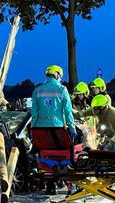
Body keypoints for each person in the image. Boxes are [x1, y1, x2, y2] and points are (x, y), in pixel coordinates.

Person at [31, 65, 76, 195]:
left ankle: (50, 187)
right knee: (67, 155)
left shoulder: (37, 90)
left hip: (41, 130)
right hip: (58, 130)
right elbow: (68, 111)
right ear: (57, 75)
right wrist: (72, 127)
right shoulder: (62, 89)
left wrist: (33, 130)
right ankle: (70, 186)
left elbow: (34, 113)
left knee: (46, 155)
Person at [72, 82, 98, 149]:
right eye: (77, 94)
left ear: (85, 93)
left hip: (91, 126)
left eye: (80, 94)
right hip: (81, 126)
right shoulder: (74, 102)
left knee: (92, 145)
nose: (79, 96)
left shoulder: (92, 101)